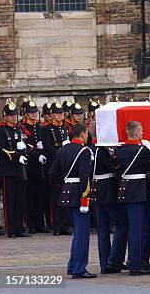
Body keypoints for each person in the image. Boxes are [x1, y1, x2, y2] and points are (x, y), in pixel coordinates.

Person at [49, 124, 96, 279]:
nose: (87, 136)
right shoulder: (84, 151)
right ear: (82, 134)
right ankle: (78, 268)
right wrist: (85, 198)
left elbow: (53, 173)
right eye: (86, 134)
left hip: (67, 192)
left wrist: (65, 185)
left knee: (78, 232)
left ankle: (73, 265)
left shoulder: (63, 150)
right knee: (82, 233)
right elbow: (85, 177)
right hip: (79, 194)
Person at [115, 121, 150, 276]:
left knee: (131, 227)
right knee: (138, 228)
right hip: (137, 191)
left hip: (124, 189)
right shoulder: (142, 150)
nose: (142, 133)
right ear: (136, 133)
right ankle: (136, 264)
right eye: (141, 131)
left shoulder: (120, 150)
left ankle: (134, 261)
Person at [88, 121, 129, 274]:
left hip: (99, 189)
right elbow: (114, 167)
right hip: (106, 189)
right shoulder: (99, 150)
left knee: (104, 228)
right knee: (122, 223)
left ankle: (107, 262)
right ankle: (113, 259)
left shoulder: (94, 149)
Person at [0, 100, 30, 238]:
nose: (13, 118)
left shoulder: (19, 128)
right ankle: (11, 229)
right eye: (10, 115)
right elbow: (3, 149)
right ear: (5, 116)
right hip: (8, 170)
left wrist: (25, 149)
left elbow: (27, 143)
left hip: (20, 170)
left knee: (20, 199)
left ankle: (19, 228)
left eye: (14, 115)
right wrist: (17, 156)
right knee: (10, 200)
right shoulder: (1, 130)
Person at [43, 102, 73, 236]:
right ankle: (57, 225)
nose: (60, 115)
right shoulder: (47, 129)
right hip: (54, 164)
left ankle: (65, 224)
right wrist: (61, 152)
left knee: (66, 196)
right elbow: (48, 147)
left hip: (65, 167)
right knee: (55, 197)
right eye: (57, 113)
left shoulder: (65, 128)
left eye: (61, 113)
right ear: (52, 115)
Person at [20, 99, 49, 234]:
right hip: (29, 165)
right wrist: (36, 153)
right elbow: (26, 145)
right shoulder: (22, 127)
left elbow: (42, 140)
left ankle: (39, 222)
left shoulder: (39, 126)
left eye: (34, 112)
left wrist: (42, 151)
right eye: (30, 112)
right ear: (25, 113)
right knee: (30, 196)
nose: (33, 114)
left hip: (40, 166)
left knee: (41, 196)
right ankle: (31, 224)